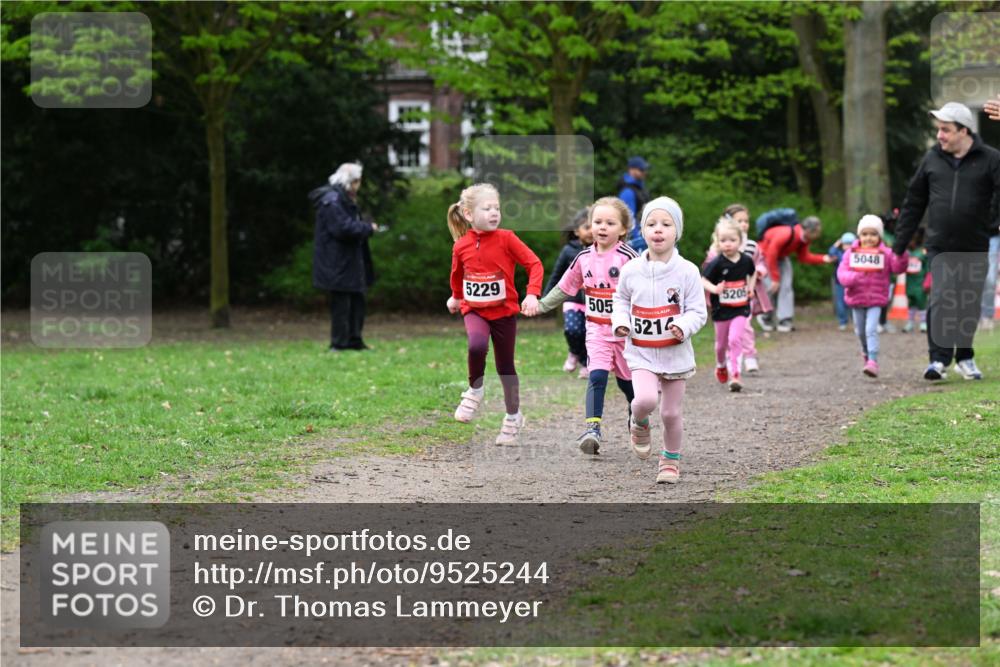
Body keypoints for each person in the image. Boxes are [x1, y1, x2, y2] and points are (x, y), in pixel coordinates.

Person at [892, 101, 1000, 381]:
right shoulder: (931, 159)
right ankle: (937, 360)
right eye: (939, 129)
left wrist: (991, 224)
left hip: (976, 244)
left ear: (964, 131)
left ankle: (965, 357)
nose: (939, 135)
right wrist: (899, 247)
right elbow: (914, 203)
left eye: (945, 130)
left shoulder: (990, 159)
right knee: (940, 299)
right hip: (940, 244)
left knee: (968, 302)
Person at [532, 197, 638, 454]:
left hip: (625, 335)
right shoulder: (582, 258)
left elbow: (645, 290)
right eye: (597, 222)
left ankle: (637, 418)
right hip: (597, 331)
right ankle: (593, 429)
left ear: (623, 229)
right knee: (597, 375)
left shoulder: (629, 258)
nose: (601, 227)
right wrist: (542, 305)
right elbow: (565, 286)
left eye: (610, 223)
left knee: (627, 384)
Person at [612, 197, 707, 484]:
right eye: (651, 224)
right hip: (641, 351)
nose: (658, 229)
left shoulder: (688, 271)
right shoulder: (631, 270)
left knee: (670, 413)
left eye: (666, 224)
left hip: (675, 353)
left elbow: (698, 312)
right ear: (642, 231)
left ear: (677, 231)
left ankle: (670, 461)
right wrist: (621, 322)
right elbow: (620, 300)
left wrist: (682, 325)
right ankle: (638, 421)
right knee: (644, 399)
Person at [446, 183, 543, 444]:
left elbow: (534, 263)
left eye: (497, 208)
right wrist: (456, 297)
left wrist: (532, 293)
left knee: (505, 367)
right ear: (468, 214)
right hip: (474, 310)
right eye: (486, 208)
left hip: (503, 312)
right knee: (476, 345)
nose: (494, 213)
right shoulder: (461, 245)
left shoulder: (507, 238)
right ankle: (475, 390)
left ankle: (513, 416)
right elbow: (457, 275)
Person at [311, 162, 376, 352]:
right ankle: (338, 343)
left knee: (357, 300)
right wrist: (368, 228)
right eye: (358, 181)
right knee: (341, 304)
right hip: (337, 262)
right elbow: (342, 228)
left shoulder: (342, 199)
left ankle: (355, 340)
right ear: (353, 182)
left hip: (349, 261)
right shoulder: (332, 200)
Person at [836, 215, 909, 378]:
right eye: (865, 234)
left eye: (873, 234)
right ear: (859, 236)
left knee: (870, 330)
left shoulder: (886, 253)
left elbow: (897, 268)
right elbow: (842, 274)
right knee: (860, 331)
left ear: (880, 236)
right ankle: (866, 352)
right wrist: (854, 278)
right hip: (856, 298)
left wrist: (902, 254)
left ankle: (873, 361)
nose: (869, 238)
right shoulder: (850, 253)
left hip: (876, 299)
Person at [702, 218, 757, 392]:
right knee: (720, 345)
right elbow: (703, 279)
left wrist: (751, 288)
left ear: (740, 241)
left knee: (735, 340)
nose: (728, 244)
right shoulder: (717, 263)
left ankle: (735, 375)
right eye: (723, 240)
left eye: (732, 240)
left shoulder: (746, 260)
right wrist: (714, 289)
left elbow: (753, 273)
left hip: (741, 308)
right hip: (721, 310)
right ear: (718, 242)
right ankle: (720, 364)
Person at [756, 212, 834, 333]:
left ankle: (785, 319)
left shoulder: (804, 240)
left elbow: (804, 257)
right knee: (771, 287)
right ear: (809, 230)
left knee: (786, 286)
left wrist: (824, 258)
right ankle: (765, 316)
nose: (818, 235)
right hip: (764, 256)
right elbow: (771, 253)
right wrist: (775, 279)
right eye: (817, 231)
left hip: (781, 257)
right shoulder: (787, 233)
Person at [544, 209, 592, 378]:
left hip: (593, 303)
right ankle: (573, 352)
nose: (592, 230)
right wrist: (544, 300)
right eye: (587, 227)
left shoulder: (600, 251)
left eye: (594, 225)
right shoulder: (568, 251)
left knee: (588, 334)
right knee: (572, 330)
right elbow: (557, 275)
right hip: (572, 300)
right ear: (576, 231)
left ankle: (586, 364)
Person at [616, 156, 651, 253]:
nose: (644, 172)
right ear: (631, 170)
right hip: (635, 241)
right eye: (641, 169)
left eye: (645, 169)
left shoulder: (640, 188)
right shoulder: (627, 191)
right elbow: (628, 218)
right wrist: (637, 240)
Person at [829, 232, 857, 331]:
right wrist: (836, 244)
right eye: (846, 244)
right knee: (840, 303)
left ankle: (855, 321)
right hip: (839, 283)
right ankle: (842, 321)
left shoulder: (856, 255)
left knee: (853, 302)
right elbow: (831, 252)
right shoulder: (840, 254)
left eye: (850, 244)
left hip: (853, 283)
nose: (848, 246)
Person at [903, 228, 928, 334]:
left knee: (921, 302)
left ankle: (923, 322)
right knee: (911, 302)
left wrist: (928, 280)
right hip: (910, 282)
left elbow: (927, 267)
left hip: (920, 283)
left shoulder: (922, 253)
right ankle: (910, 323)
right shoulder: (907, 253)